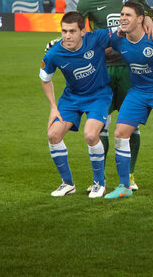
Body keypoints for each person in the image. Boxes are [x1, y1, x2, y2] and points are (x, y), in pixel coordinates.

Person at [76, 0, 153, 192]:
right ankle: (99, 179)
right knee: (101, 124)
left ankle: (129, 176)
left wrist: (149, 19)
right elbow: (80, 33)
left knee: (131, 126)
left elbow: (149, 16)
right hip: (102, 72)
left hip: (132, 69)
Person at [107, 1, 153, 202]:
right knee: (120, 134)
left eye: (128, 15)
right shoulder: (118, 40)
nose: (123, 18)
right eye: (121, 14)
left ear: (140, 19)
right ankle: (125, 186)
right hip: (137, 92)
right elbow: (97, 41)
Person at [39, 12, 112, 198]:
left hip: (99, 95)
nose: (67, 36)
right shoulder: (54, 53)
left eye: (72, 31)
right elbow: (45, 79)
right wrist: (53, 107)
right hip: (72, 97)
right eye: (64, 31)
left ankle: (99, 183)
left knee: (90, 135)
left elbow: (123, 29)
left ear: (83, 31)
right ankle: (67, 184)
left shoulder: (96, 38)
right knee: (53, 135)